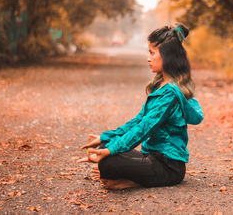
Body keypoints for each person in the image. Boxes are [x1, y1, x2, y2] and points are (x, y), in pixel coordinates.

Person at [77, 24, 204, 189]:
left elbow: (144, 128)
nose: (148, 58)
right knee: (106, 149)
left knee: (108, 162)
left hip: (169, 167)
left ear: (168, 56)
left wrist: (111, 151)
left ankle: (132, 181)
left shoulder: (170, 94)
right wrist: (106, 138)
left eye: (152, 53)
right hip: (151, 157)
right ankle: (127, 177)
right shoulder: (161, 85)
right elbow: (138, 120)